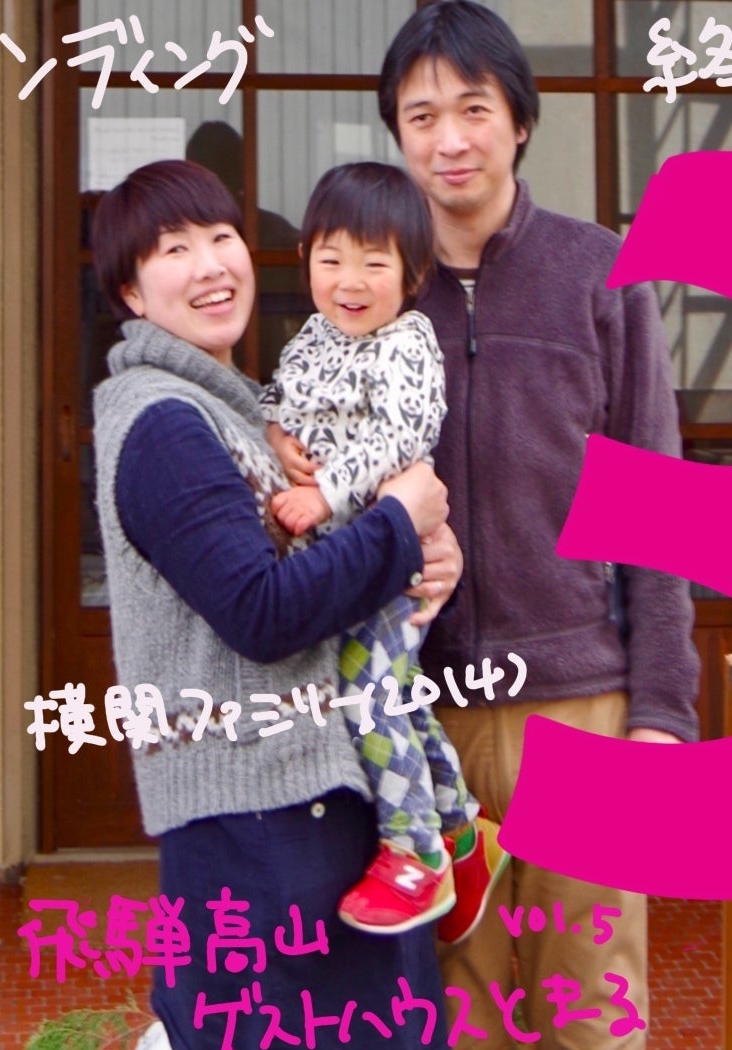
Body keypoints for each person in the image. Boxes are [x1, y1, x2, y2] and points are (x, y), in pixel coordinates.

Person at [376, 4, 702, 1050]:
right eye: (421, 115)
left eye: (472, 109)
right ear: (397, 135)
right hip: (422, 721)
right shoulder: (373, 285)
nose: (448, 139)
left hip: (582, 709)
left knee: (594, 1034)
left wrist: (662, 713)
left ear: (518, 121)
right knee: (447, 1049)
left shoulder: (597, 272)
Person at [89, 158, 463, 1050]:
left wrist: (422, 544)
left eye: (220, 237)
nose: (211, 264)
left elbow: (333, 551)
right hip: (258, 830)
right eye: (174, 250)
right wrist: (402, 517)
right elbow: (260, 612)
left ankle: (447, 819)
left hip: (307, 808)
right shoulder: (164, 426)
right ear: (131, 292)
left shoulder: (236, 408)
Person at [259, 160, 510, 942]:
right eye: (331, 258)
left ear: (414, 273)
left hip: (393, 562)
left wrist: (324, 493)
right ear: (305, 259)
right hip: (342, 562)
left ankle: (414, 851)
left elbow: (400, 440)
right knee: (391, 694)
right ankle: (461, 830)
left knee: (370, 694)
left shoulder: (407, 342)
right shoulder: (311, 338)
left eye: (374, 263)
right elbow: (279, 399)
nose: (350, 281)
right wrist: (274, 432)